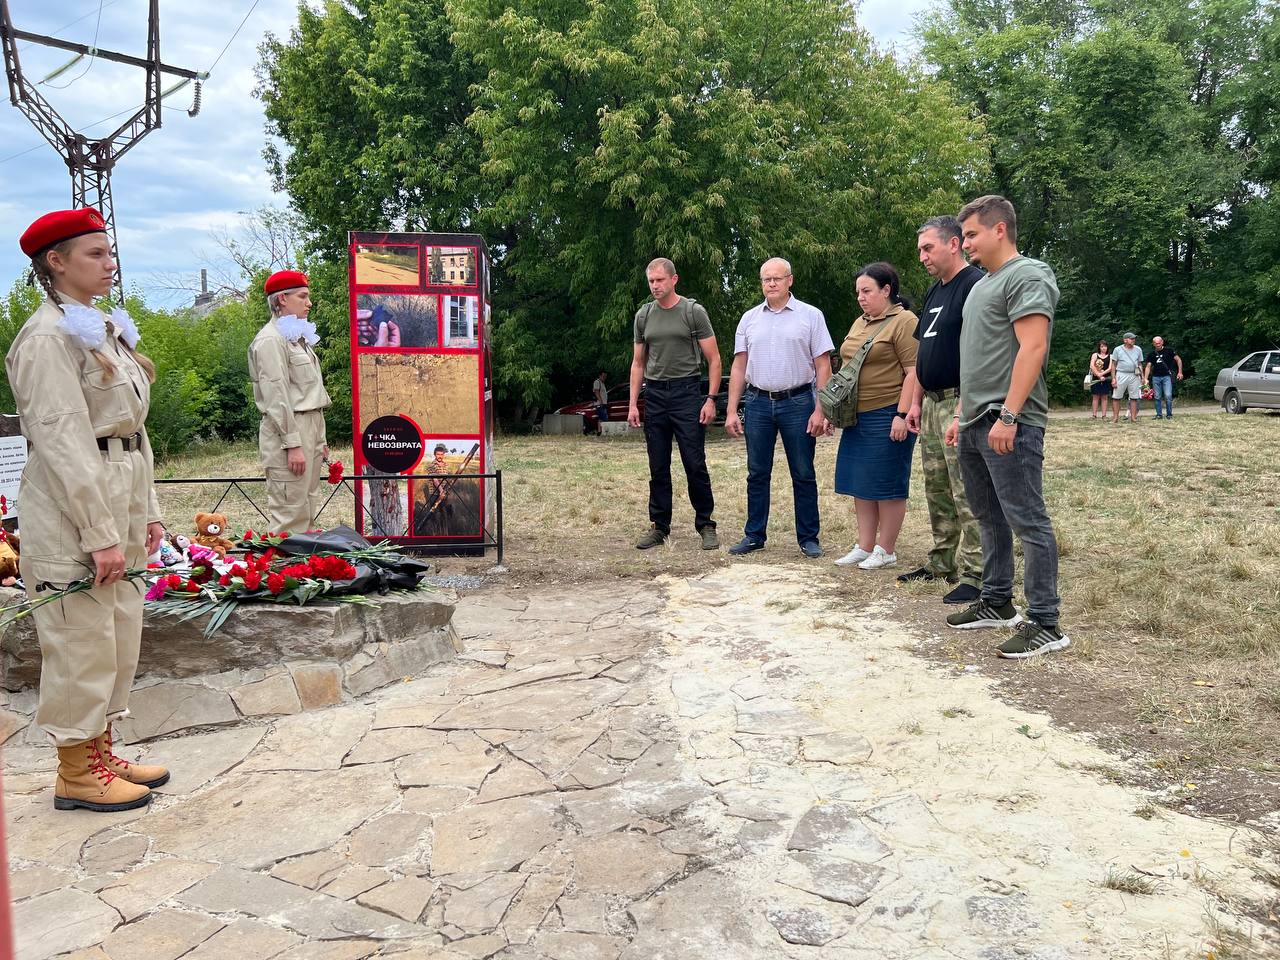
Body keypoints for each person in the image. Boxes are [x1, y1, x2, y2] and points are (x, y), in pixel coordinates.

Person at [7, 208, 170, 812]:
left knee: (116, 630)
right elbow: (64, 441)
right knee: (80, 636)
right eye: (95, 254)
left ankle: (100, 751)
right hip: (73, 503)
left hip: (119, 487)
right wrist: (99, 533)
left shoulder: (99, 329)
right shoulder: (47, 338)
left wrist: (148, 511)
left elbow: (132, 431)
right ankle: (76, 772)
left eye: (110, 252)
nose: (110, 263)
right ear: (56, 261)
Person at [943, 194, 1070, 658]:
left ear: (1000, 229)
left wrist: (1010, 416)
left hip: (1009, 420)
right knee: (988, 516)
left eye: (971, 234)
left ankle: (1046, 622)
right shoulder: (982, 286)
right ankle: (997, 601)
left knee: (1027, 520)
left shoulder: (1028, 274)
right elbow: (978, 358)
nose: (965, 243)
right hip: (975, 420)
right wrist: (961, 414)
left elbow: (1033, 348)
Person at [723, 257, 834, 558]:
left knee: (803, 471)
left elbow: (823, 365)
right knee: (757, 472)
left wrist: (821, 409)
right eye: (766, 279)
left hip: (798, 402)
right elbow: (739, 365)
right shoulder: (749, 319)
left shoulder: (810, 316)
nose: (771, 283)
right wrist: (732, 410)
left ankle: (808, 538)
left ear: (790, 280)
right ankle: (754, 535)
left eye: (777, 278)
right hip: (757, 402)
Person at [899, 217, 984, 603]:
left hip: (960, 401)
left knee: (966, 487)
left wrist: (962, 410)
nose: (922, 256)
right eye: (920, 249)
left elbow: (978, 355)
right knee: (937, 487)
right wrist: (915, 402)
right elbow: (922, 354)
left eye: (927, 248)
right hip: (931, 403)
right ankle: (941, 562)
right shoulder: (935, 291)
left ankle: (977, 572)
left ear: (954, 244)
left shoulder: (974, 286)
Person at [628, 258, 721, 550]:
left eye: (660, 280)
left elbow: (714, 359)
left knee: (694, 462)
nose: (655, 286)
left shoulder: (693, 312)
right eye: (651, 281)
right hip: (655, 395)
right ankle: (660, 526)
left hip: (686, 393)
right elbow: (637, 363)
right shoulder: (644, 315)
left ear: (674, 279)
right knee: (658, 465)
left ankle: (706, 524)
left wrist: (710, 399)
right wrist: (633, 404)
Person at [832, 262, 919, 571]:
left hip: (888, 412)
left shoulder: (905, 321)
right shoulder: (861, 322)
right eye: (858, 292)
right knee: (861, 482)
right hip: (857, 414)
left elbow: (914, 372)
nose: (861, 297)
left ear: (887, 290)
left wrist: (902, 414)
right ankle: (865, 545)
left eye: (867, 291)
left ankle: (886, 549)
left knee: (887, 482)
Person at [249, 270, 332, 533]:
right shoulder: (270, 339)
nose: (309, 303)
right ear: (282, 299)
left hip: (310, 424)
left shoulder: (295, 337)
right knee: (290, 510)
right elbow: (276, 396)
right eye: (302, 296)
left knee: (307, 505)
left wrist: (320, 440)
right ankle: (285, 560)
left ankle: (305, 557)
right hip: (289, 428)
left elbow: (308, 392)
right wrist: (292, 443)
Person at [1144, 336, 1183, 420]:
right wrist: (1145, 378)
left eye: (1159, 343)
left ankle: (1169, 414)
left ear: (1162, 342)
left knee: (1168, 395)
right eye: (1156, 343)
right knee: (1157, 396)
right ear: (1153, 344)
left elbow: (1178, 360)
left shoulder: (1169, 351)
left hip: (1166, 376)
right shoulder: (1151, 354)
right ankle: (1159, 414)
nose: (1158, 345)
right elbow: (1148, 366)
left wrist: (1180, 372)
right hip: (1156, 377)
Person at [1110, 331, 1145, 423]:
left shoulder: (1138, 349)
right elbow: (1113, 365)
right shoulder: (1117, 349)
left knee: (1134, 397)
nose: (1133, 340)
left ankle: (1133, 418)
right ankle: (1115, 418)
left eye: (1134, 338)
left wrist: (1142, 376)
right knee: (1116, 397)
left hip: (1134, 375)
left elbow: (1139, 364)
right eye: (1131, 338)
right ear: (1125, 340)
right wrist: (1113, 378)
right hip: (1121, 374)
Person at [1088, 340, 1114, 419]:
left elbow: (1110, 368)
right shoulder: (1095, 355)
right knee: (1095, 397)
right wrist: (1098, 375)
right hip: (1096, 378)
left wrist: (1102, 375)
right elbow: (1092, 366)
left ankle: (1104, 415)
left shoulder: (1111, 356)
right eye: (1102, 346)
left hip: (1106, 378)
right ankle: (1094, 415)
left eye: (1105, 346)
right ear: (1099, 347)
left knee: (1104, 397)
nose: (1104, 348)